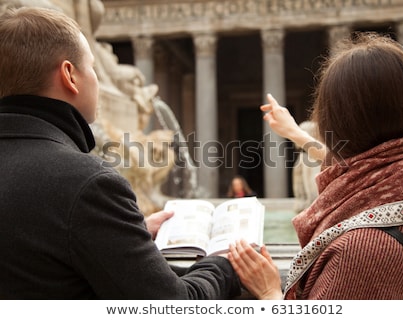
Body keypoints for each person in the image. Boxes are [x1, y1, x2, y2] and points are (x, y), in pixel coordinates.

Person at [0, 7, 241, 299]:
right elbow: (173, 306)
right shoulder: (87, 183)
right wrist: (223, 264)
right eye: (93, 67)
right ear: (69, 76)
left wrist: (127, 232)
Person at [228, 33, 403, 299]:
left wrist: (270, 293)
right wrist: (297, 135)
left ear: (333, 125)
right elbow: (368, 168)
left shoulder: (358, 253)